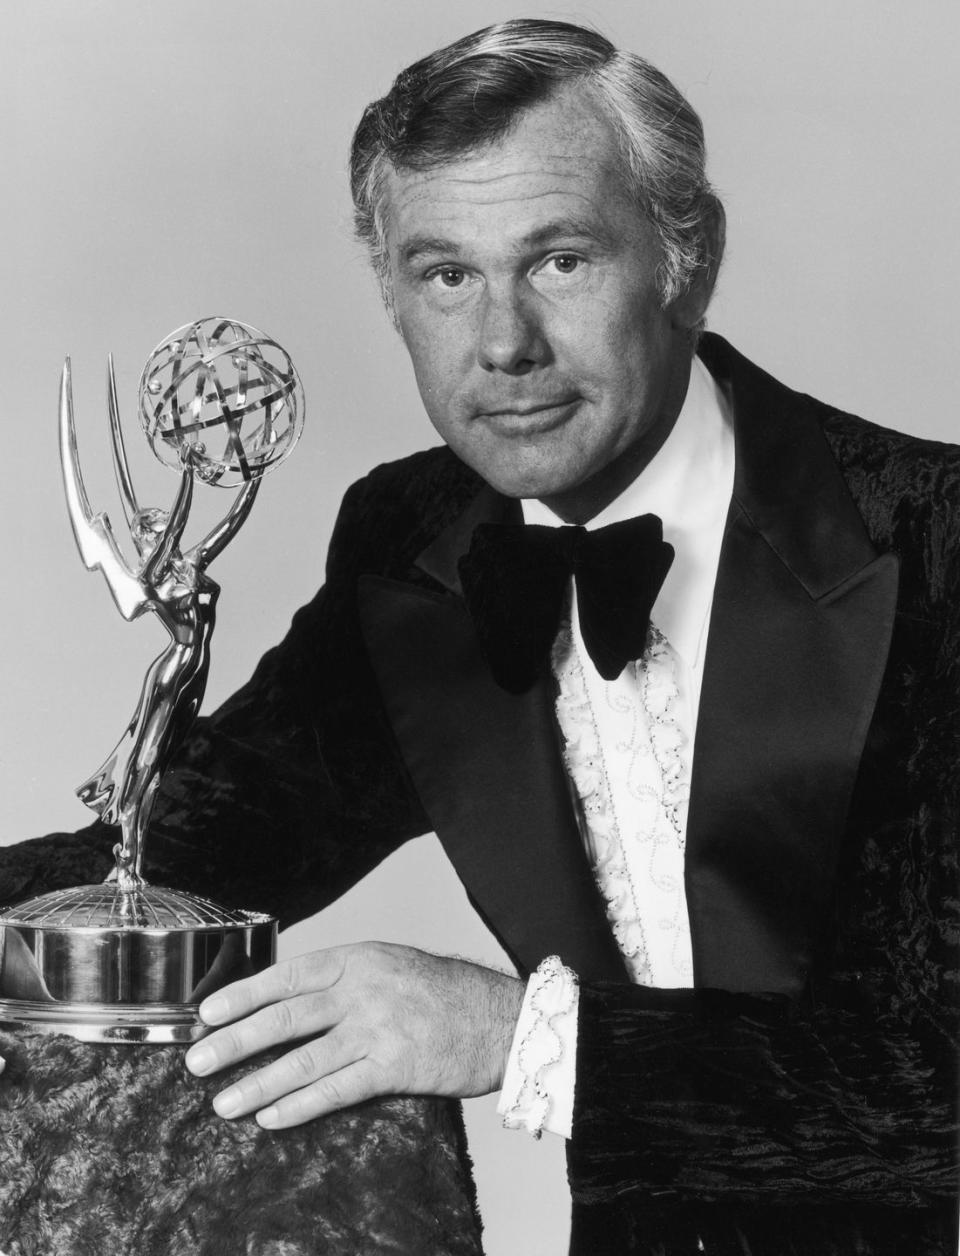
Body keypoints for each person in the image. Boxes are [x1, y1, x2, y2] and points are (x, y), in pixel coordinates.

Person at [1, 19, 957, 1254]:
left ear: (688, 260)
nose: (503, 344)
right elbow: (182, 854)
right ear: (391, 292)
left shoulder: (931, 545)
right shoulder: (418, 545)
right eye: (446, 274)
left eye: (558, 260)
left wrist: (514, 1035)